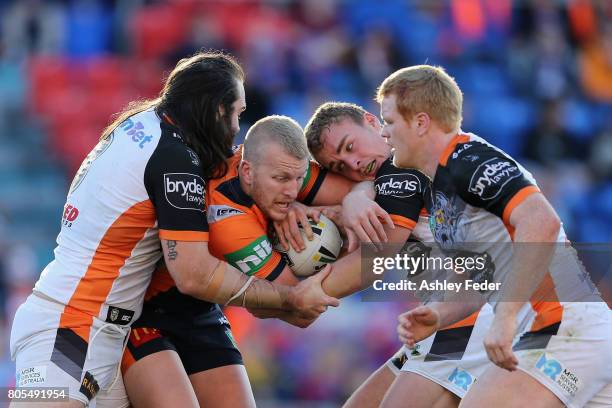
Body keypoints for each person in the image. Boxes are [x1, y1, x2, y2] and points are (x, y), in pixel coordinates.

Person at [9, 51, 337, 408]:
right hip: (69, 330)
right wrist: (289, 300)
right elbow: (194, 274)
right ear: (215, 111)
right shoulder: (174, 158)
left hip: (104, 330)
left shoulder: (144, 124)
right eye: (237, 114)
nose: (236, 129)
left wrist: (288, 206)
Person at [378, 65, 612, 407]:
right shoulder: (444, 182)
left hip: (561, 329)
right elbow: (477, 285)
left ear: (420, 122)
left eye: (389, 121)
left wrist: (504, 317)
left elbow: (542, 222)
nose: (385, 133)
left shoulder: (468, 161)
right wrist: (440, 315)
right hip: (567, 334)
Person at [116, 114, 360, 408]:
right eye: (282, 181)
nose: (293, 190)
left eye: (299, 180)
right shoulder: (228, 219)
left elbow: (368, 196)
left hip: (201, 312)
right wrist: (344, 246)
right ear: (247, 171)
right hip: (143, 314)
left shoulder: (282, 164)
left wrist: (335, 210)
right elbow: (299, 309)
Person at [303, 101, 494, 408]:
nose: (353, 163)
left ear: (370, 119)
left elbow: (375, 262)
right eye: (340, 165)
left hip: (470, 313)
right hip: (465, 311)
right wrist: (355, 196)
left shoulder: (399, 167)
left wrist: (297, 296)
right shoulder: (409, 160)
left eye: (350, 146)